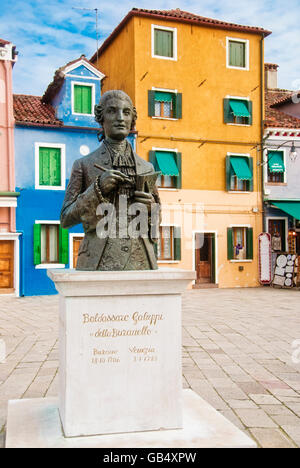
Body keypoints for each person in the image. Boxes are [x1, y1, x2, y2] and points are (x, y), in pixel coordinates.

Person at [60, 90, 161, 270]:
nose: (120, 118)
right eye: (112, 111)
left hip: (141, 261)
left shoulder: (147, 168)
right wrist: (97, 190)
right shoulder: (83, 165)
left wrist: (150, 209)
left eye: (126, 112)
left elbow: (156, 222)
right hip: (98, 262)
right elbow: (66, 218)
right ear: (101, 117)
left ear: (132, 119)